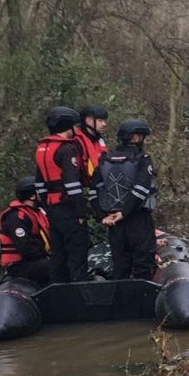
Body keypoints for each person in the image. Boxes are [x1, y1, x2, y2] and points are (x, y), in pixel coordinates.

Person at [92, 119, 158, 280]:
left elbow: (94, 193)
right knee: (143, 264)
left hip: (113, 222)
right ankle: (144, 302)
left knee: (120, 266)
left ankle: (121, 301)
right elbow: (140, 190)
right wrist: (125, 212)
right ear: (135, 138)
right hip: (137, 219)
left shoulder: (103, 160)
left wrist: (102, 216)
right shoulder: (142, 159)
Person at [34, 106, 93, 283]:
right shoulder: (67, 150)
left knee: (58, 253)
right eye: (74, 126)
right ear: (67, 126)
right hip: (68, 208)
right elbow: (73, 185)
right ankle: (79, 290)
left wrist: (47, 206)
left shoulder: (42, 148)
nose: (76, 130)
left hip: (53, 209)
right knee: (78, 249)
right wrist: (81, 212)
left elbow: (39, 183)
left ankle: (58, 289)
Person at [0, 175, 51, 285]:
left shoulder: (37, 213)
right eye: (40, 191)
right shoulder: (16, 217)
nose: (44, 194)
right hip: (20, 265)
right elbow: (25, 247)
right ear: (32, 196)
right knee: (57, 267)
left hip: (34, 261)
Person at [76, 104, 109, 179]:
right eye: (100, 120)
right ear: (89, 120)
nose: (104, 124)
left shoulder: (98, 140)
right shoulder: (77, 141)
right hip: (84, 184)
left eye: (104, 121)